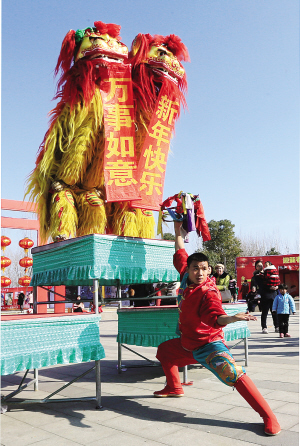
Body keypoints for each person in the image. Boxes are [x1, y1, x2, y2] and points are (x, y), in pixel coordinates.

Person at [153, 221, 281, 436]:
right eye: (196, 268)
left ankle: (268, 416)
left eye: (204, 269)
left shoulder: (209, 292)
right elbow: (180, 250)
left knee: (236, 376)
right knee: (164, 351)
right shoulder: (185, 275)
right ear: (190, 269)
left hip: (209, 346)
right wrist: (178, 232)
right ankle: (174, 387)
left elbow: (215, 316)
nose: (200, 272)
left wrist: (230, 318)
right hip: (187, 343)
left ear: (209, 270)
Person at [260, 261, 280, 334]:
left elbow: (277, 281)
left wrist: (276, 287)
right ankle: (264, 327)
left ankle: (277, 326)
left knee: (274, 312)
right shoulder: (262, 274)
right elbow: (263, 285)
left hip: (274, 295)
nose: (266, 266)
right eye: (265, 265)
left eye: (267, 265)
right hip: (266, 295)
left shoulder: (273, 272)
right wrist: (269, 288)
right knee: (264, 312)